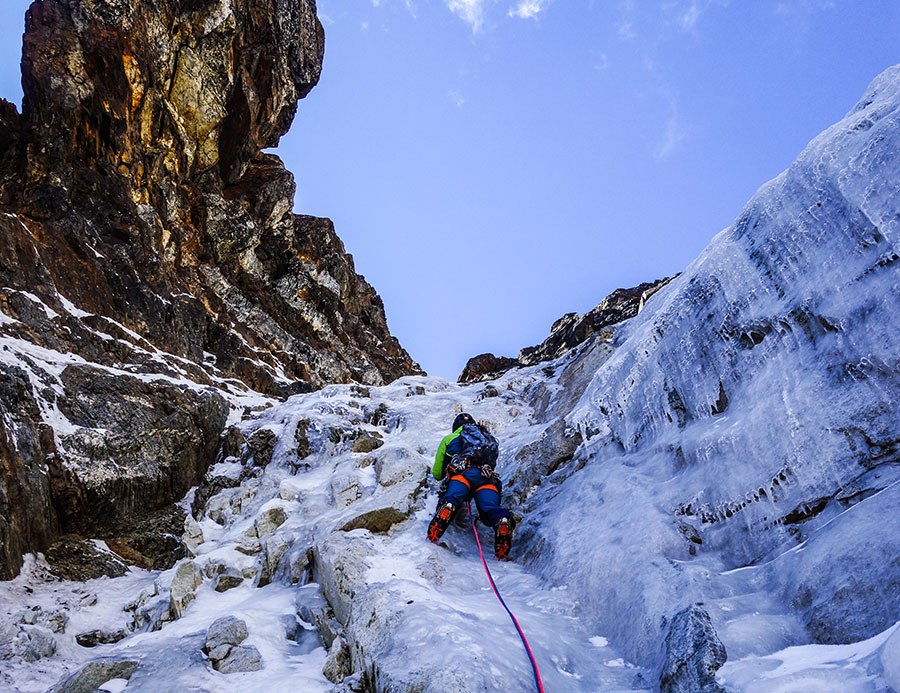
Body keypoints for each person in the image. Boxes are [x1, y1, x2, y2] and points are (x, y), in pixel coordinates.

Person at [427, 412, 515, 559]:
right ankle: (502, 520)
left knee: (453, 498)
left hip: (462, 475)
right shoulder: (485, 437)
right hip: (486, 478)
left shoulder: (449, 439)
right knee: (490, 508)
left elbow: (437, 474)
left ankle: (447, 507)